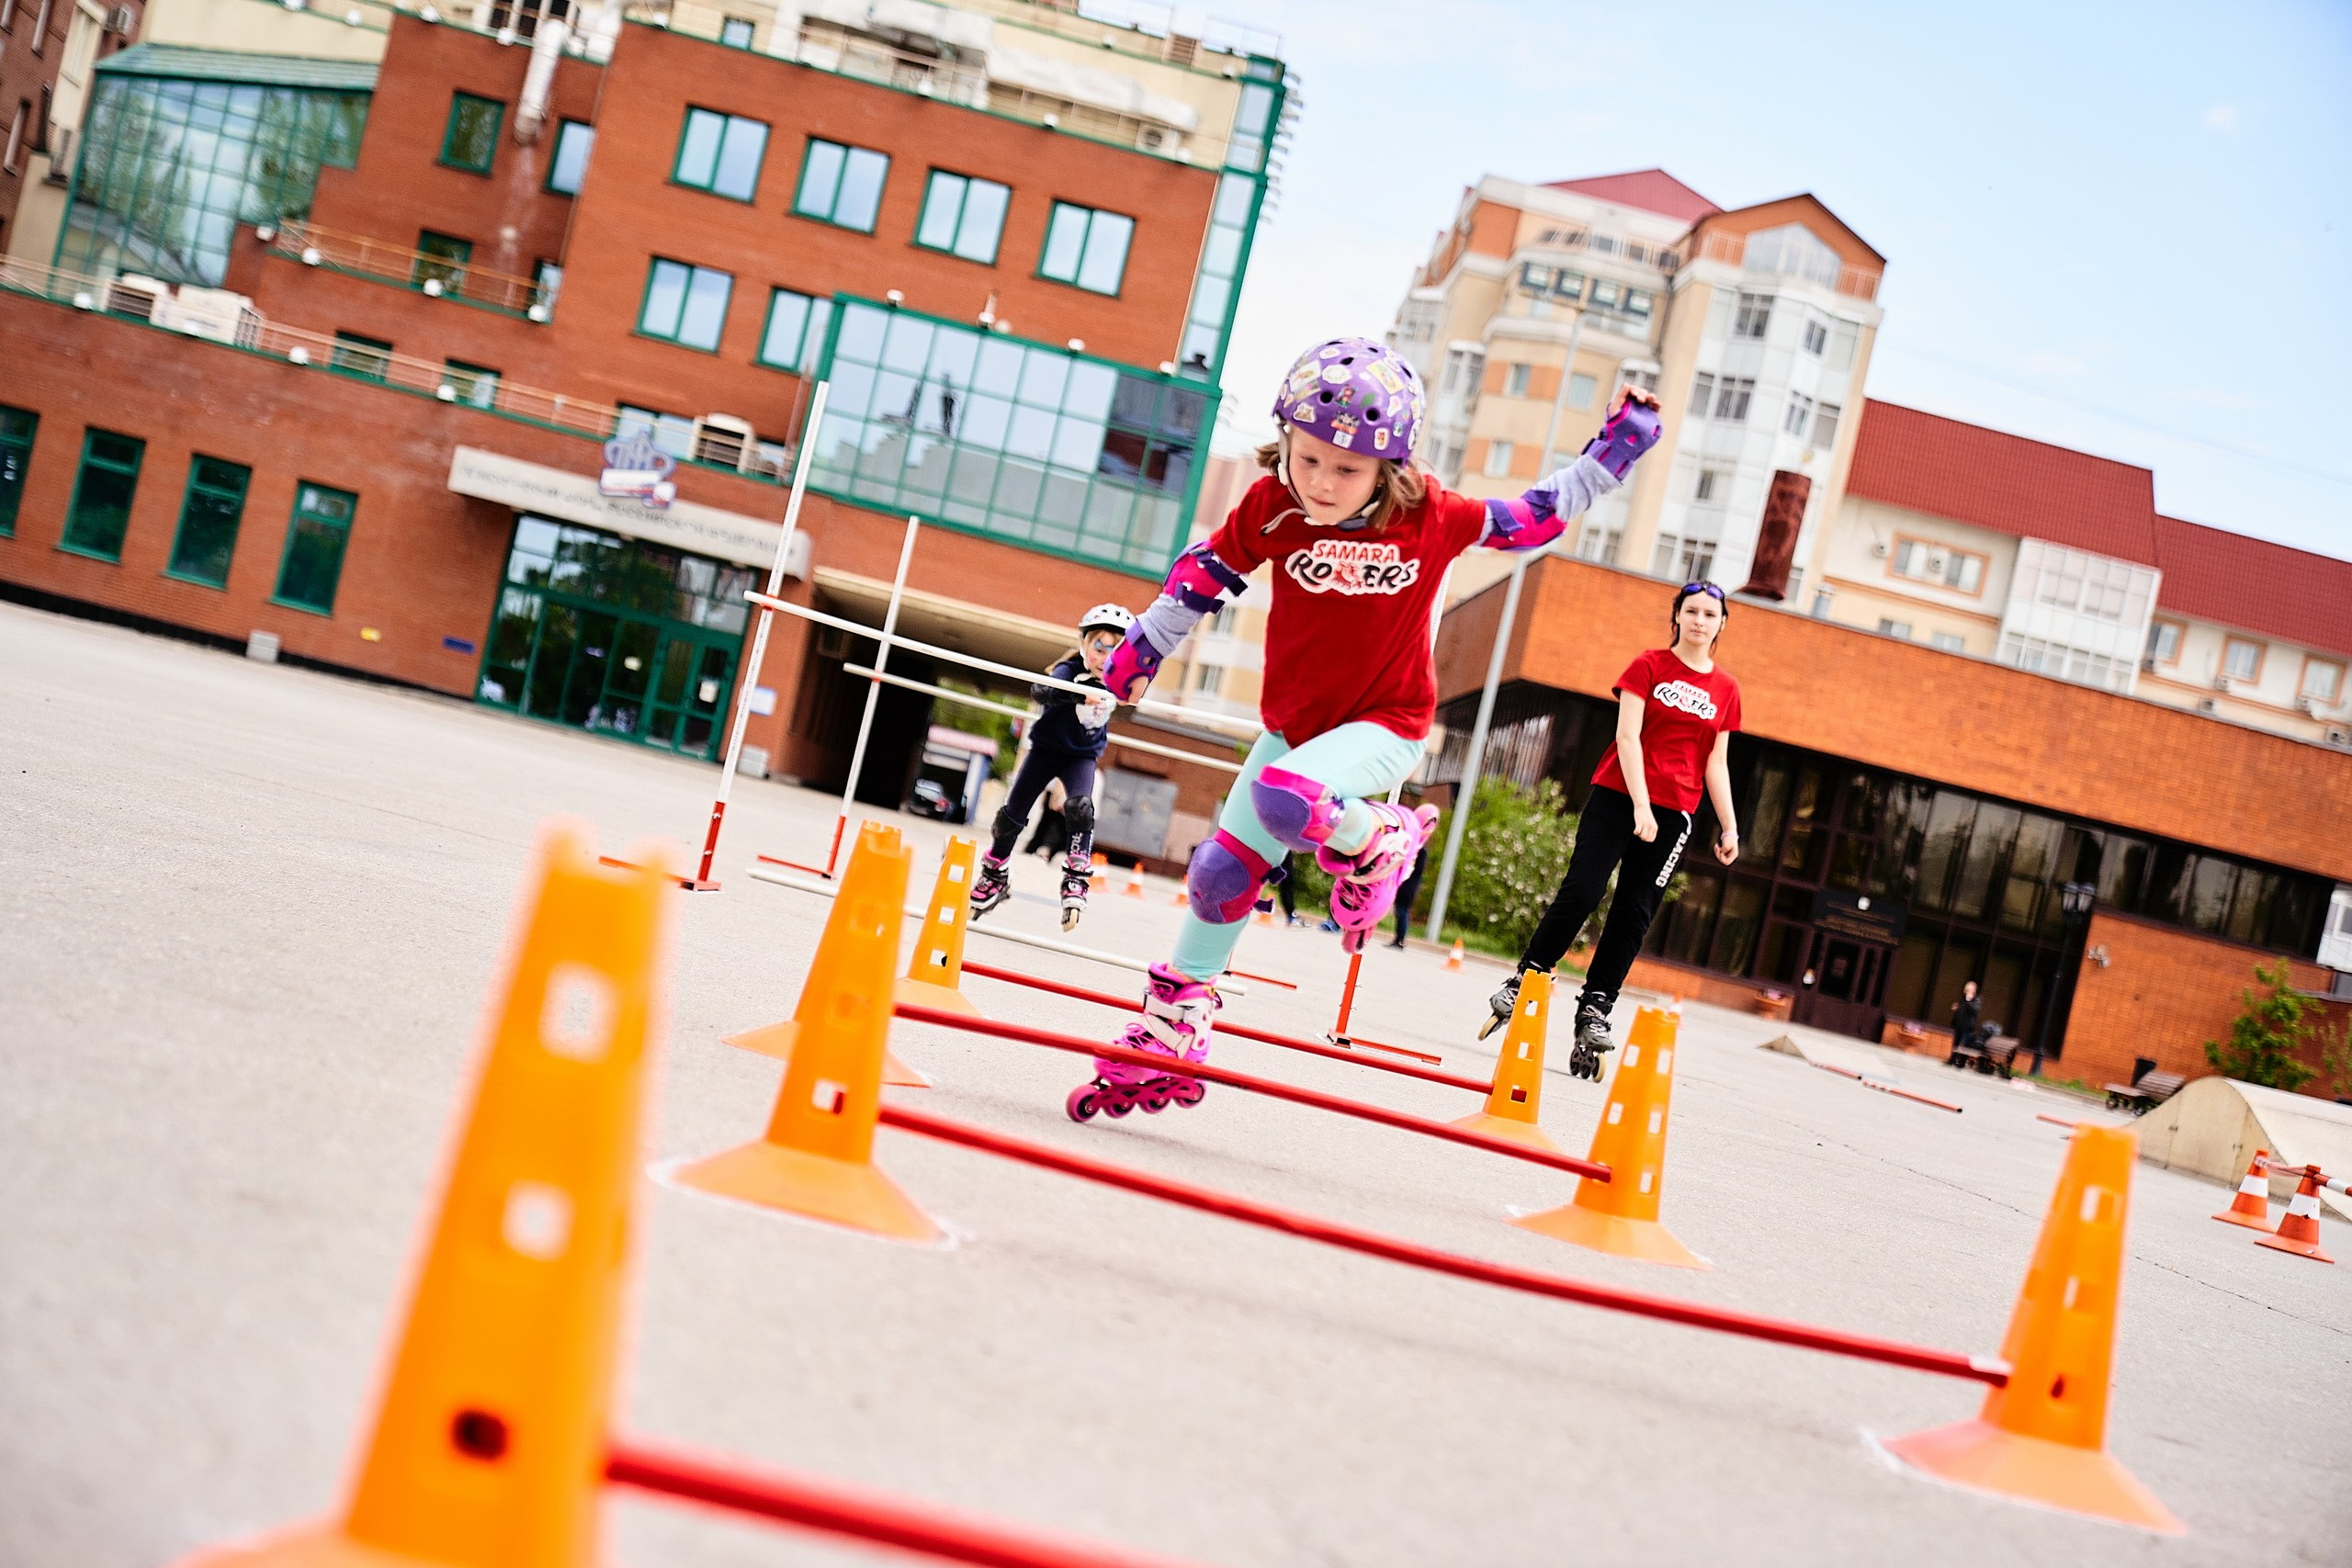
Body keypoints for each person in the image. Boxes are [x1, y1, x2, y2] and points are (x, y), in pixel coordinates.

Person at [1061, 335, 1663, 1121]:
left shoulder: (1430, 514)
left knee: (1288, 793)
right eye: (1306, 460)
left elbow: (1529, 520)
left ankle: (1383, 841)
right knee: (1219, 873)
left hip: (1387, 725)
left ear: (1391, 467)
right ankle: (1174, 1024)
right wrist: (1144, 647)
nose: (1320, 483)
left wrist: (1606, 462)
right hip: (1293, 729)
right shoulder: (1271, 505)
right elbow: (1202, 574)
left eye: (1345, 470)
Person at [1480, 581, 1743, 1079]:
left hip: (1675, 814)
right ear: (1677, 617)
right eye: (1691, 611)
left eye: (1710, 614)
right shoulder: (1648, 666)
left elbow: (1717, 762)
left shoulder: (1727, 690)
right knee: (1583, 890)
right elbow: (1627, 736)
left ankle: (1596, 1006)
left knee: (1634, 912)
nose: (1700, 621)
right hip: (1618, 796)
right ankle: (1525, 977)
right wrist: (1641, 805)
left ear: (1722, 623)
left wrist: (1729, 826)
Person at [971, 604, 1128, 931]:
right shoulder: (1068, 671)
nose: (1105, 659)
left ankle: (1076, 875)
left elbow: (1142, 682)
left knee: (1080, 809)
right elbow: (1041, 691)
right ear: (1084, 645)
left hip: (1080, 757)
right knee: (1010, 816)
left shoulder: (1120, 679)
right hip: (1044, 751)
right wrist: (1076, 696)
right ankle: (995, 872)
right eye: (1099, 648)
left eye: (1115, 652)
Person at [1385, 841, 1428, 949]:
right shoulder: (1414, 850)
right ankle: (1398, 938)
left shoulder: (1421, 851)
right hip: (1403, 885)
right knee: (1400, 912)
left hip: (1408, 887)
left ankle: (1400, 940)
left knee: (1402, 912)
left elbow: (1418, 869)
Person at [1023, 777, 1070, 860]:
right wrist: (1055, 798)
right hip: (1057, 793)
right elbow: (1060, 780)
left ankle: (1032, 848)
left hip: (1056, 793)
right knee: (1050, 825)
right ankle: (1038, 849)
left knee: (1045, 825)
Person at [1950, 980, 1983, 1058]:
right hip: (1959, 1024)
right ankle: (1952, 1059)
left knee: (1963, 1044)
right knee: (1955, 1043)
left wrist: (1968, 1000)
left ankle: (1959, 1060)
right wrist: (1957, 1008)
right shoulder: (1963, 998)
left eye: (1968, 990)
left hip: (1968, 1026)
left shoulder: (1977, 999)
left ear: (1973, 990)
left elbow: (1974, 1010)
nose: (1966, 991)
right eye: (1966, 989)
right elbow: (1962, 1008)